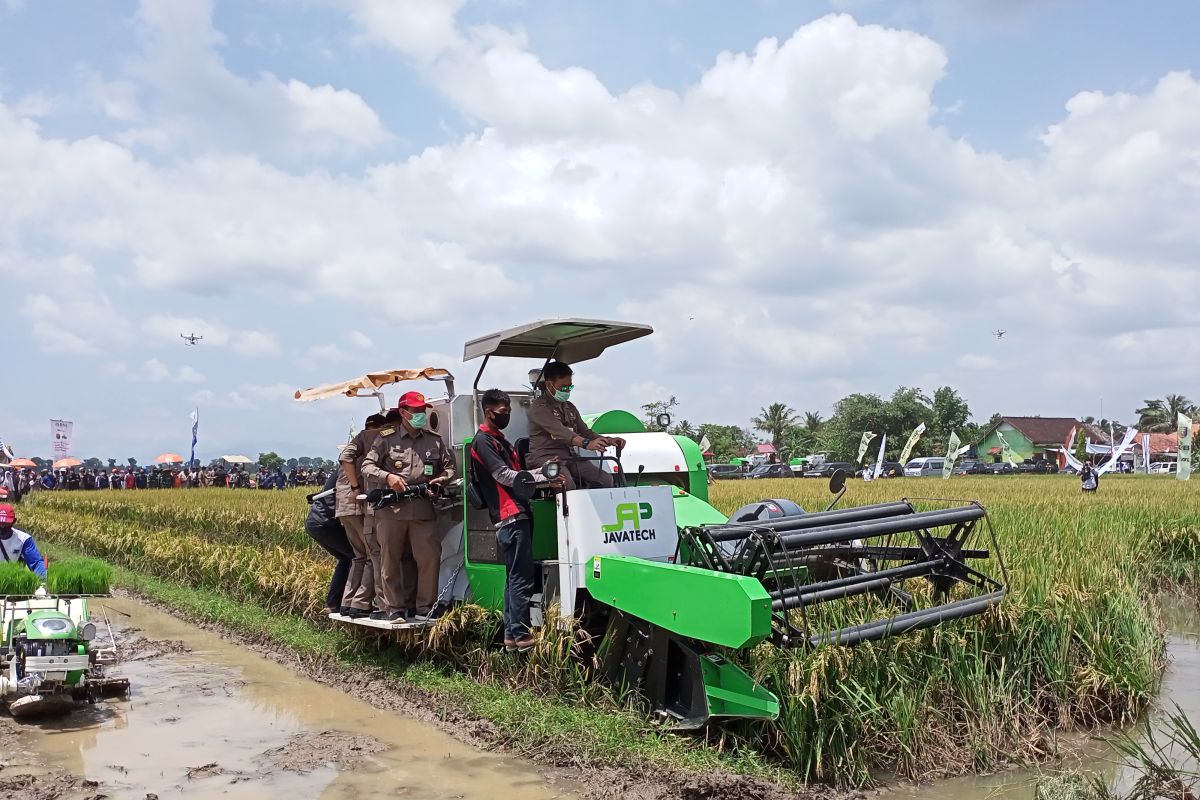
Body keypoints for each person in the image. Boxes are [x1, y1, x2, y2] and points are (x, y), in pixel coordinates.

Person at [470, 389, 560, 651]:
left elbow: (518, 474)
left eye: (509, 411)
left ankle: (511, 635)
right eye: (503, 412)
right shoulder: (484, 441)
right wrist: (544, 477)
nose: (507, 415)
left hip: (514, 516)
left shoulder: (500, 440)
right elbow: (505, 476)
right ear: (489, 412)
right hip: (511, 516)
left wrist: (543, 474)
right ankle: (520, 635)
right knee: (521, 578)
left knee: (513, 578)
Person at [361, 391, 455, 623]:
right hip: (392, 509)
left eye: (423, 410)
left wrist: (443, 478)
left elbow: (450, 467)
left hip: (423, 507)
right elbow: (367, 466)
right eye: (416, 411)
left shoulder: (434, 440)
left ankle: (425, 608)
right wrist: (388, 477)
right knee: (390, 560)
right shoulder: (386, 438)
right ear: (403, 413)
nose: (421, 415)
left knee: (429, 557)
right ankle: (395, 609)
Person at [526, 361, 625, 491]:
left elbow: (585, 432)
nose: (567, 391)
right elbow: (560, 431)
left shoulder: (570, 407)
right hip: (546, 459)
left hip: (569, 457)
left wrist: (608, 440)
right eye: (563, 388)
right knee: (567, 485)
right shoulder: (539, 408)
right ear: (549, 385)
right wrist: (586, 444)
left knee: (605, 479)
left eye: (570, 387)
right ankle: (567, 511)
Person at [335, 412, 387, 618]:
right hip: (358, 502)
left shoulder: (361, 438)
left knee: (359, 556)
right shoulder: (374, 436)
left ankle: (348, 602)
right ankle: (361, 603)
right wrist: (357, 487)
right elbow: (345, 458)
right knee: (372, 554)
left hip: (343, 505)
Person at [305, 469, 355, 614]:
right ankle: (351, 604)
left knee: (347, 558)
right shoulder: (351, 469)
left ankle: (333, 603)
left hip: (316, 521)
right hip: (327, 522)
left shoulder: (343, 468)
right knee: (359, 557)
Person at [0, 503, 46, 581]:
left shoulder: (24, 539)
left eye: (5, 523)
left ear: (13, 522)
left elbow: (36, 563)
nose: (2, 526)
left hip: (11, 581)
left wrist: (43, 582)